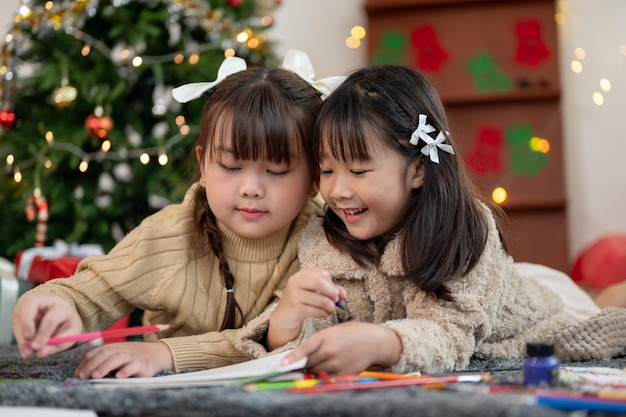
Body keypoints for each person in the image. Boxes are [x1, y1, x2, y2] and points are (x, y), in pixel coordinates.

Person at [236, 64, 626, 375]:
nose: (337, 190)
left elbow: (450, 333)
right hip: (498, 286)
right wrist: (286, 322)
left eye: (358, 171)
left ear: (419, 169)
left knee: (605, 314)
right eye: (326, 170)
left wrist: (381, 342)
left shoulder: (464, 227)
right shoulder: (326, 238)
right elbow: (325, 331)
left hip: (532, 308)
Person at [11, 50, 337, 379]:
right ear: (203, 166)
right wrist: (50, 307)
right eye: (230, 166)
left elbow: (276, 340)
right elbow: (87, 293)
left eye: (277, 170)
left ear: (313, 179)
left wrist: (164, 352)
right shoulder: (170, 236)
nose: (251, 188)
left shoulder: (323, 239)